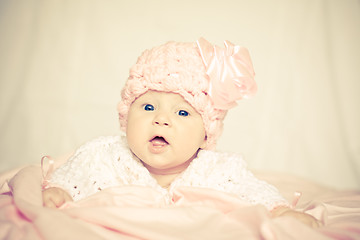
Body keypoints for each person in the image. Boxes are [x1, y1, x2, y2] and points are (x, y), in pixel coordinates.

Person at [42, 38, 320, 227]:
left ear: (205, 134)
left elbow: (255, 192)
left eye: (183, 112)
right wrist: (59, 191)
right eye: (148, 106)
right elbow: (72, 176)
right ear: (126, 117)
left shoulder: (219, 169)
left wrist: (280, 211)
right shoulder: (104, 155)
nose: (161, 120)